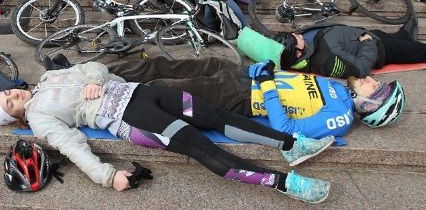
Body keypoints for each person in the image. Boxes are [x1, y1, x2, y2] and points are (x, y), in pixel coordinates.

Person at [0, 62, 334, 203]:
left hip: (144, 91)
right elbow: (71, 145)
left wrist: (94, 81)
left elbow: (93, 66)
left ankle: (291, 144)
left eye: (8, 93)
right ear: (15, 117)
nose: (14, 96)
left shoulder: (47, 78)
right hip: (134, 119)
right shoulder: (40, 118)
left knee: (214, 114)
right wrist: (106, 177)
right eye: (10, 104)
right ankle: (285, 183)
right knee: (203, 149)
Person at [106, 56, 406, 139]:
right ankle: (90, 72)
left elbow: (286, 130)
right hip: (242, 74)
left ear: (372, 105)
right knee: (161, 63)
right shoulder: (339, 88)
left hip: (240, 95)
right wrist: (264, 71)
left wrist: (267, 86)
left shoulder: (339, 117)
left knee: (162, 84)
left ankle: (97, 90)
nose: (370, 79)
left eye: (374, 87)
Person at [273, 17, 426, 79]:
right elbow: (361, 69)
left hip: (367, 35)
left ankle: (404, 35)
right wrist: (367, 42)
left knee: (396, 37)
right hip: (379, 48)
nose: (298, 35)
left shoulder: (304, 48)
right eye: (295, 38)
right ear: (298, 53)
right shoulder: (326, 60)